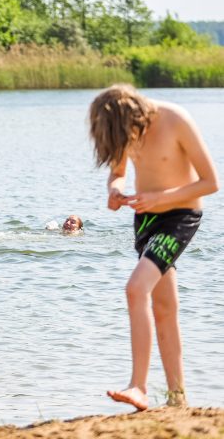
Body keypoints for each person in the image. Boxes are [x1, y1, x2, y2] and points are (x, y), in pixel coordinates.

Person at [89, 84, 218, 411]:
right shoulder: (124, 127)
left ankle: (138, 386)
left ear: (132, 114)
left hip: (180, 216)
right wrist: (115, 191)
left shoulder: (175, 119)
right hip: (145, 221)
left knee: (135, 289)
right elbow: (117, 174)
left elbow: (211, 182)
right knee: (164, 309)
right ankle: (178, 398)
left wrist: (162, 198)